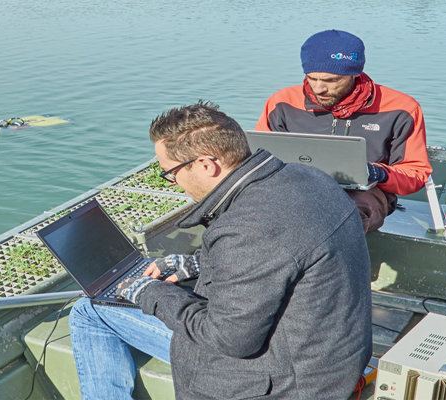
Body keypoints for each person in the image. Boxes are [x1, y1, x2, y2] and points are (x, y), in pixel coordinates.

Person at [68, 101, 372, 399]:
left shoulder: (246, 227)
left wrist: (148, 292)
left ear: (205, 164)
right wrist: (196, 264)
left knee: (88, 310)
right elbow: (280, 254)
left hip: (286, 384)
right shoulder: (308, 178)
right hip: (330, 363)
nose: (173, 182)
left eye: (170, 172)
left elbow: (230, 339)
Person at [256, 29, 432, 232]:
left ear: (354, 74)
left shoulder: (402, 108)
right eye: (312, 78)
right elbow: (260, 159)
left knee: (341, 216)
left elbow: (416, 174)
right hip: (293, 186)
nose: (319, 88)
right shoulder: (282, 102)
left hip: (365, 194)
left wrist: (377, 172)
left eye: (331, 80)